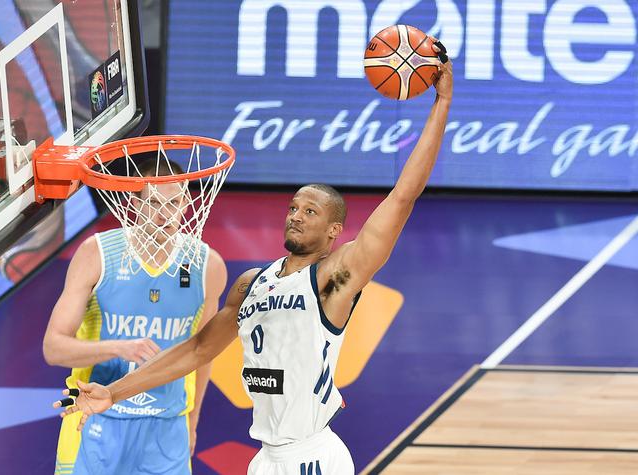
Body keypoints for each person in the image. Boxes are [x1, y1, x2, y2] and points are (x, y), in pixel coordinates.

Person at [56, 42, 453, 474]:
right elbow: (195, 350)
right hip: (266, 458)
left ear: (335, 230)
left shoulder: (334, 278)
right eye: (293, 208)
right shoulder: (251, 284)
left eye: (311, 211)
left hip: (313, 456)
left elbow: (403, 196)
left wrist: (442, 102)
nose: (297, 216)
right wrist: (116, 392)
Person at [44, 157, 227, 475]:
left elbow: (203, 354)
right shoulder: (96, 255)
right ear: (133, 203)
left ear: (186, 202)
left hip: (166, 430)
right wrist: (118, 347)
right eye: (154, 202)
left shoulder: (208, 266)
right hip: (92, 419)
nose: (164, 215)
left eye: (173, 202)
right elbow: (53, 348)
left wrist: (193, 420)